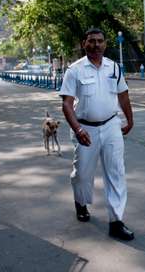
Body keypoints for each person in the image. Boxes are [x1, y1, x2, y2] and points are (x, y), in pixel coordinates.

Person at [59, 28, 135, 241]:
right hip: (86, 129)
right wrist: (78, 129)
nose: (96, 45)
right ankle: (81, 202)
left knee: (116, 173)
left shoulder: (114, 67)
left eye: (100, 41)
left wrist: (130, 119)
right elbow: (66, 104)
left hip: (111, 126)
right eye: (91, 41)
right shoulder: (74, 70)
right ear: (84, 43)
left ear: (105, 43)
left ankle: (116, 221)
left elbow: (124, 95)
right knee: (82, 173)